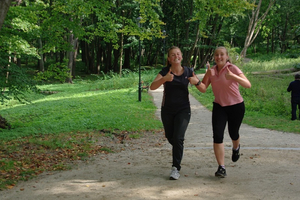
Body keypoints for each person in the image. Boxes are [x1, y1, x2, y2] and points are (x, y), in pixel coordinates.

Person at [192, 46, 251, 178]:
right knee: (217, 135)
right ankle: (221, 167)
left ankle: (236, 148)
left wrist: (233, 76)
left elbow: (248, 84)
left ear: (227, 56)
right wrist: (196, 81)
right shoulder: (211, 71)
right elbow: (203, 88)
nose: (219, 57)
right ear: (214, 57)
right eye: (217, 55)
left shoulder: (233, 68)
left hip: (236, 106)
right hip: (219, 106)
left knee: (233, 133)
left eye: (222, 54)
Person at [150, 46, 199, 180]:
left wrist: (197, 81)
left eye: (178, 54)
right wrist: (164, 79)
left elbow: (203, 88)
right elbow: (152, 86)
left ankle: (175, 168)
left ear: (181, 56)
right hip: (167, 110)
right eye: (172, 55)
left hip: (183, 110)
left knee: (178, 138)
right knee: (171, 137)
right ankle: (179, 148)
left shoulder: (189, 71)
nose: (175, 56)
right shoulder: (165, 71)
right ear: (169, 58)